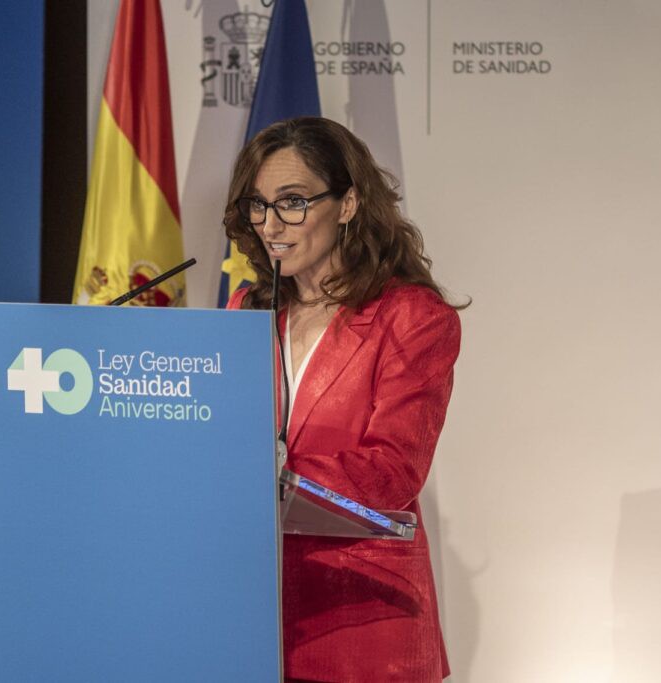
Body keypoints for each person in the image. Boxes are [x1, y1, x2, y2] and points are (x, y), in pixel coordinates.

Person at [224, 117, 462, 682]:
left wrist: (267, 477)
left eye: (293, 202)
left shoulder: (413, 318)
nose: (270, 224)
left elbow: (394, 470)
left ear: (348, 203)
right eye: (259, 205)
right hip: (247, 615)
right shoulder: (246, 311)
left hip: (362, 619)